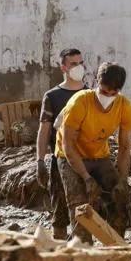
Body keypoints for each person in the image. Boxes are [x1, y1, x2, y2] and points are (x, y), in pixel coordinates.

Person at [56, 62, 131, 239]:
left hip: (99, 155)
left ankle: (117, 248)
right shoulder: (79, 102)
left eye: (113, 93)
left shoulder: (125, 107)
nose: (107, 96)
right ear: (97, 83)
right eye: (104, 91)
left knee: (119, 198)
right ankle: (83, 251)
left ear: (119, 91)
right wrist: (86, 178)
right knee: (80, 207)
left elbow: (124, 148)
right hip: (71, 156)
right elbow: (68, 145)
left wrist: (122, 180)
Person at [36, 48, 87, 239]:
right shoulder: (52, 96)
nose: (78, 67)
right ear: (63, 67)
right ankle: (59, 257)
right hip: (60, 159)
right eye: (73, 64)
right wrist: (40, 161)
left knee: (85, 208)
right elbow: (44, 131)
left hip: (86, 159)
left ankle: (83, 249)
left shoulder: (89, 94)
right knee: (59, 210)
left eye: (80, 63)